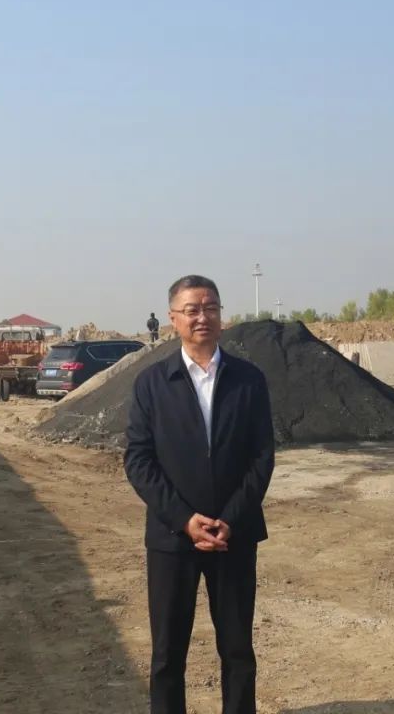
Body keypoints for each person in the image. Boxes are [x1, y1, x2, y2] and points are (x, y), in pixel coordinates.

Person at [125, 275, 274, 714]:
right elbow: (138, 460)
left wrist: (231, 517)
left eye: (210, 308)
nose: (202, 317)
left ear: (221, 316)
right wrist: (184, 520)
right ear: (173, 319)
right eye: (191, 310)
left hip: (234, 535)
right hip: (172, 539)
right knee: (168, 654)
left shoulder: (248, 380)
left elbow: (262, 456)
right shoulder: (152, 383)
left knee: (238, 650)